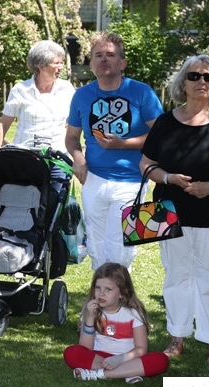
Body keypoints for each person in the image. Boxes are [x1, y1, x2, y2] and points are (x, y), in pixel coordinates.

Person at [139, 54, 209, 365]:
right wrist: (169, 178)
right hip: (168, 211)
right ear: (183, 83)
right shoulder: (165, 123)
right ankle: (176, 338)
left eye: (208, 76)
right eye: (195, 76)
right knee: (176, 276)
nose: (202, 81)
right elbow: (146, 164)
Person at [65, 32, 164, 271]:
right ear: (91, 64)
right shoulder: (81, 96)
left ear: (122, 63)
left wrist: (124, 144)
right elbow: (71, 137)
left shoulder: (141, 92)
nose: (103, 59)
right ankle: (102, 292)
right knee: (96, 244)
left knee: (121, 246)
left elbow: (163, 135)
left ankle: (119, 291)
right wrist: (78, 157)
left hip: (132, 179)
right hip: (93, 178)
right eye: (98, 55)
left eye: (110, 55)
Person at [63, 262, 169, 383]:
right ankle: (127, 372)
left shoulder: (133, 314)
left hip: (127, 358)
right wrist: (90, 319)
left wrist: (119, 359)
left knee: (161, 360)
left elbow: (141, 349)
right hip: (98, 357)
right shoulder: (90, 311)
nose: (101, 293)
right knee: (71, 353)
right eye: (98, 288)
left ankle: (99, 374)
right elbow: (85, 348)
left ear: (122, 293)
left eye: (108, 289)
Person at [0, 39, 75, 154]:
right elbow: (3, 125)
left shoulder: (66, 89)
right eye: (56, 63)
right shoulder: (21, 90)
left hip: (58, 156)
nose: (61, 67)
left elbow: (75, 119)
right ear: (41, 66)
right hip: (25, 155)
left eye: (62, 62)